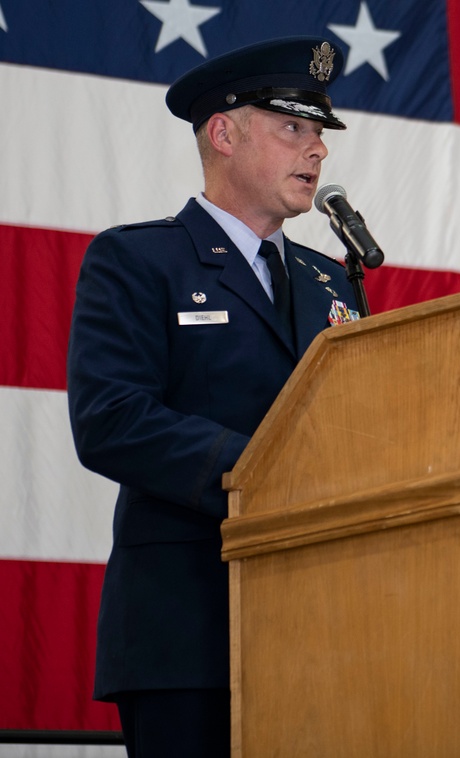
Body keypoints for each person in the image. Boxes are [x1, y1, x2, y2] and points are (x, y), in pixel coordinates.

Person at [67, 36, 359, 757]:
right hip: (187, 628)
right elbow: (111, 419)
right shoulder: (138, 261)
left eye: (319, 133)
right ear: (223, 133)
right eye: (293, 127)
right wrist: (269, 474)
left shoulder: (335, 282)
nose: (317, 150)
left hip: (327, 627)